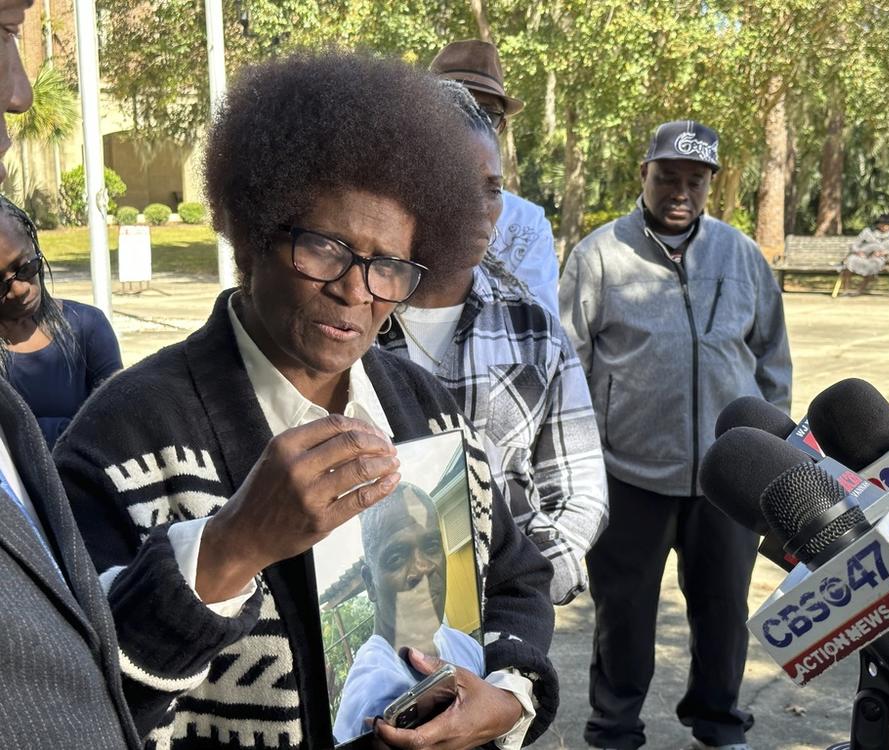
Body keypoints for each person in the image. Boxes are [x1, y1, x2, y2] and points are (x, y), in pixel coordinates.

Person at [54, 51, 558, 750]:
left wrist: (507, 698)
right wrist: (229, 548)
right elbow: (70, 699)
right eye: (326, 249)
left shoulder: (422, 407)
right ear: (254, 233)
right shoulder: (122, 439)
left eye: (388, 266)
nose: (357, 292)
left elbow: (516, 575)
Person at [0, 2, 262, 748]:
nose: (20, 92)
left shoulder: (83, 335)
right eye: (2, 30)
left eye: (27, 268)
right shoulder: (134, 436)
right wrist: (224, 552)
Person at [560, 120, 792, 750]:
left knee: (723, 613)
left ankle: (718, 724)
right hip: (629, 475)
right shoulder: (599, 256)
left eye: (695, 179)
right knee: (624, 618)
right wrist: (580, 465)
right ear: (645, 174)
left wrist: (771, 452)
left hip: (728, 481)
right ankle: (614, 729)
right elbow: (568, 368)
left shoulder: (741, 255)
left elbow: (772, 359)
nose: (680, 191)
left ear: (711, 183)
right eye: (668, 176)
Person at [379, 81, 607, 606]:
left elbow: (577, 485)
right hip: (385, 620)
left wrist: (526, 591)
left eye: (493, 186)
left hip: (511, 620)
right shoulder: (349, 320)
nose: (481, 207)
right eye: (457, 184)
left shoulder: (533, 330)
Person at [332, 482, 484, 740]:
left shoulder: (464, 645)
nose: (422, 568)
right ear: (370, 583)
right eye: (397, 558)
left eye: (432, 546)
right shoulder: (374, 688)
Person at [430, 39, 560, 315]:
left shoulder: (527, 224)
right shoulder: (389, 203)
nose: (471, 121)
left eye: (486, 113)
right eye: (455, 105)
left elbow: (541, 329)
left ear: (501, 125)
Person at [0, 196, 122, 448]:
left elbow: (117, 427)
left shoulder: (87, 327)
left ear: (35, 247)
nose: (19, 290)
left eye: (24, 267)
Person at [838, 213, 889, 296]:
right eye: (882, 224)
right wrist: (859, 252)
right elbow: (855, 244)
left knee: (873, 265)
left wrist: (883, 253)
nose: (884, 227)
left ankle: (859, 291)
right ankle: (846, 290)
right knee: (850, 260)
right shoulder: (868, 231)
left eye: (886, 225)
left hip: (879, 258)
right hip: (863, 255)